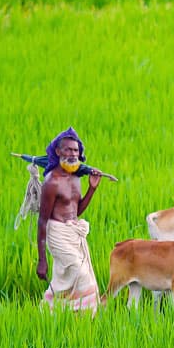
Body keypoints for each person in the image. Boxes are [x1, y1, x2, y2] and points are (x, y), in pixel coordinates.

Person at [36, 127, 103, 313]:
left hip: (74, 232)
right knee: (82, 276)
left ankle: (52, 313)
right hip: (58, 233)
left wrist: (92, 189)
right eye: (68, 149)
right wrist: (42, 259)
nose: (73, 154)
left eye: (76, 150)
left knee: (64, 281)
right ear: (58, 152)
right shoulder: (52, 182)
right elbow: (42, 221)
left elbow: (76, 210)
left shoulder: (75, 179)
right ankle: (85, 316)